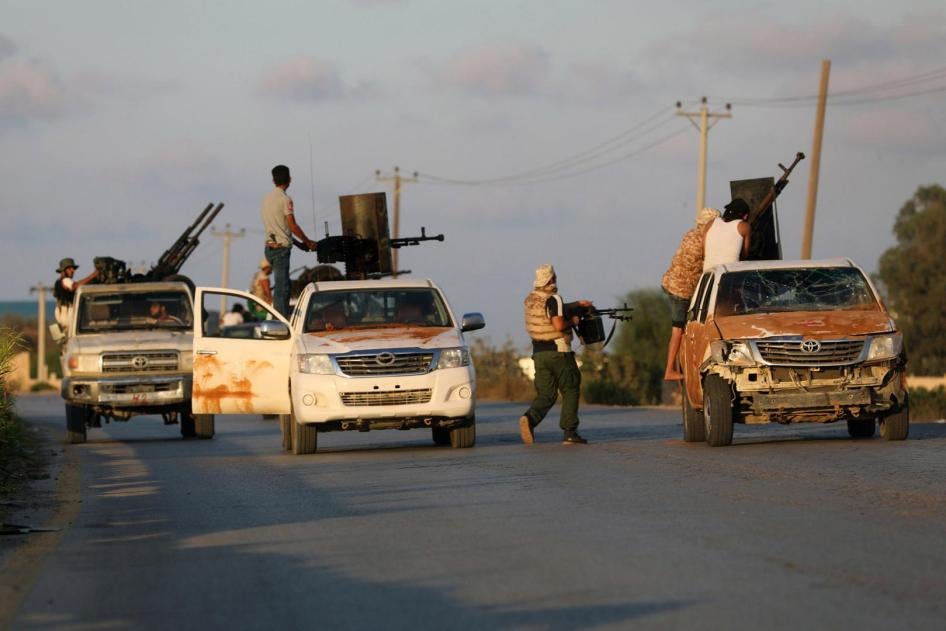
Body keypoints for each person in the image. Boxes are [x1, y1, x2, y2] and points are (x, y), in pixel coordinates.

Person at [519, 264, 593, 445]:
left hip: (539, 354)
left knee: (546, 394)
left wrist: (576, 304)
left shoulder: (530, 299)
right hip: (558, 351)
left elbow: (551, 309)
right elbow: (559, 324)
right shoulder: (554, 299)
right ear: (551, 280)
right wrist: (574, 319)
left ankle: (529, 418)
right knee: (571, 387)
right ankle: (570, 432)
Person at [661, 207, 720, 380]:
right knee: (678, 331)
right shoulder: (703, 243)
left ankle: (679, 365)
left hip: (670, 283)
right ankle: (669, 370)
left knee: (684, 329)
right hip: (681, 290)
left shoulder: (690, 234)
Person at [260, 165, 317, 317]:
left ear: (273, 180)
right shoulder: (286, 200)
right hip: (281, 251)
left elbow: (280, 229)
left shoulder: (266, 199)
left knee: (282, 285)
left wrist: (299, 244)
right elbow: (292, 226)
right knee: (282, 289)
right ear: (290, 179)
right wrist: (308, 241)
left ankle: (280, 318)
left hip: (269, 249)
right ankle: (282, 323)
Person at [703, 197, 751, 272]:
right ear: (745, 216)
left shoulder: (710, 223)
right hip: (730, 276)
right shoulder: (744, 226)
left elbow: (704, 252)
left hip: (708, 275)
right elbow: (744, 255)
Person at [54, 257, 98, 336]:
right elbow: (74, 286)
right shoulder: (65, 280)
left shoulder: (58, 282)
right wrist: (93, 275)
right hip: (68, 320)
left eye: (73, 268)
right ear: (63, 270)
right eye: (70, 268)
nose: (73, 271)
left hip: (63, 323)